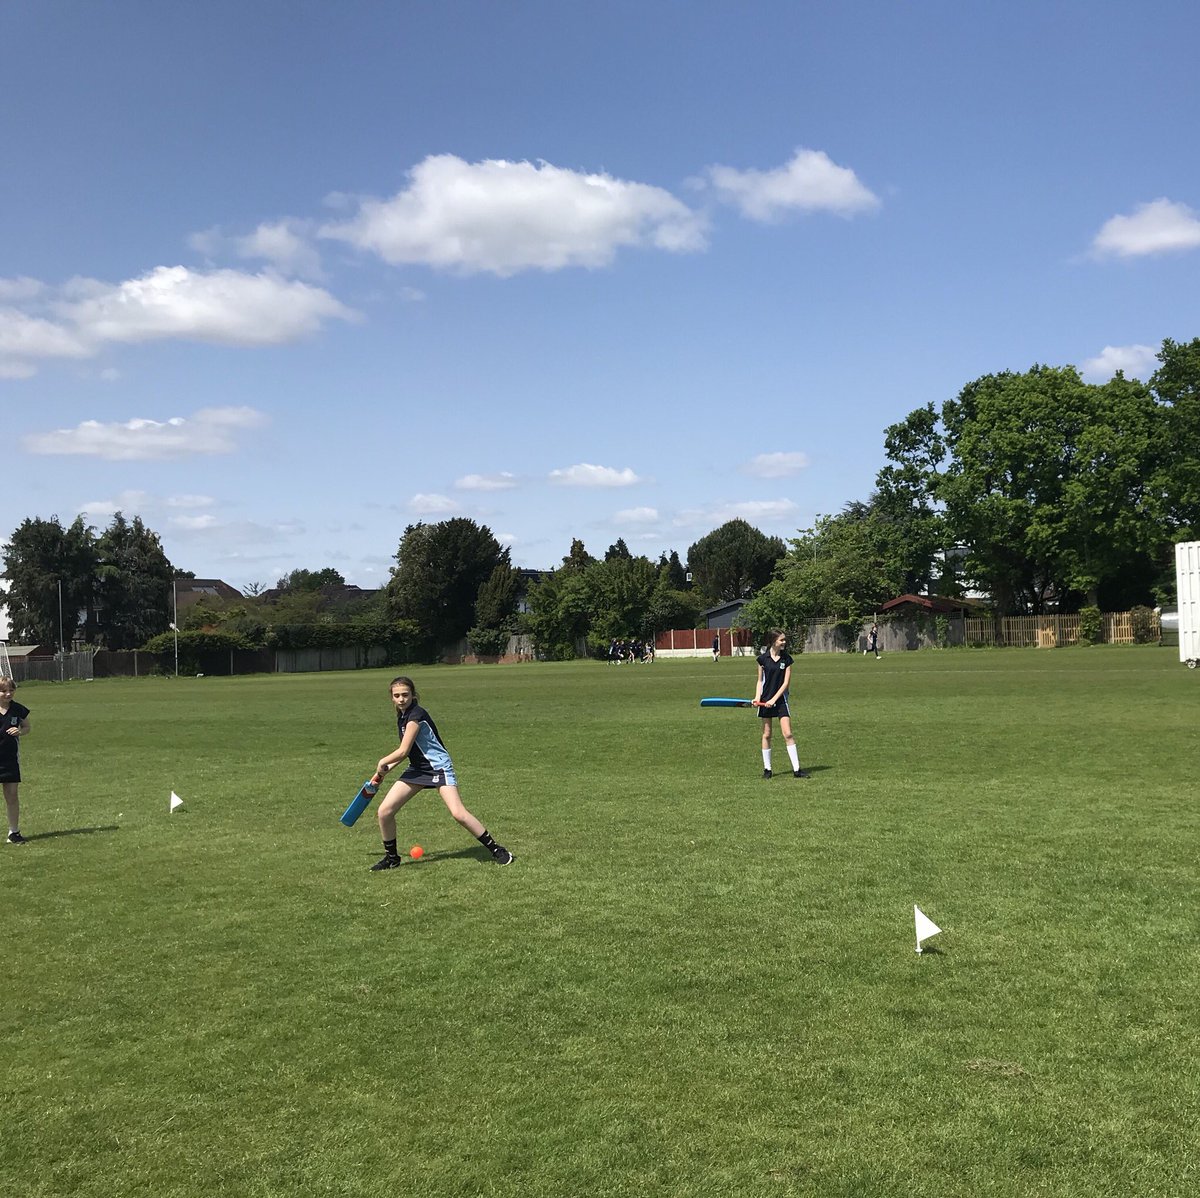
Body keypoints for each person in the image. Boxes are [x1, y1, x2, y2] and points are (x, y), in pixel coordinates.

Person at [368, 676, 513, 871]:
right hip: (418, 768)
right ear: (392, 698)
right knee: (384, 812)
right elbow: (407, 753)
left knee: (458, 813)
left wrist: (382, 762)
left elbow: (402, 750)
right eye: (397, 696)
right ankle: (392, 858)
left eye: (405, 695)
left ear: (413, 695)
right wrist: (381, 774)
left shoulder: (416, 715)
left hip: (438, 767)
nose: (401, 699)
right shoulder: (402, 716)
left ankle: (497, 850)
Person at [753, 632, 808, 779]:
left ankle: (797, 770)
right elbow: (760, 681)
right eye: (781, 640)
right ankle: (767, 769)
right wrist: (757, 697)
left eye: (784, 640)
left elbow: (785, 683)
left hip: (781, 701)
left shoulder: (786, 659)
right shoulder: (762, 659)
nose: (784, 642)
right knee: (767, 734)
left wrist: (774, 700)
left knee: (788, 734)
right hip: (765, 700)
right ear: (773, 641)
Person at [0, 677, 31, 844]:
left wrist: (20, 732)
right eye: (3, 691)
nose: (8, 694)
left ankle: (14, 832)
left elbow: (27, 727)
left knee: (12, 795)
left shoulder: (18, 709)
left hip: (10, 760)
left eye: (11, 690)